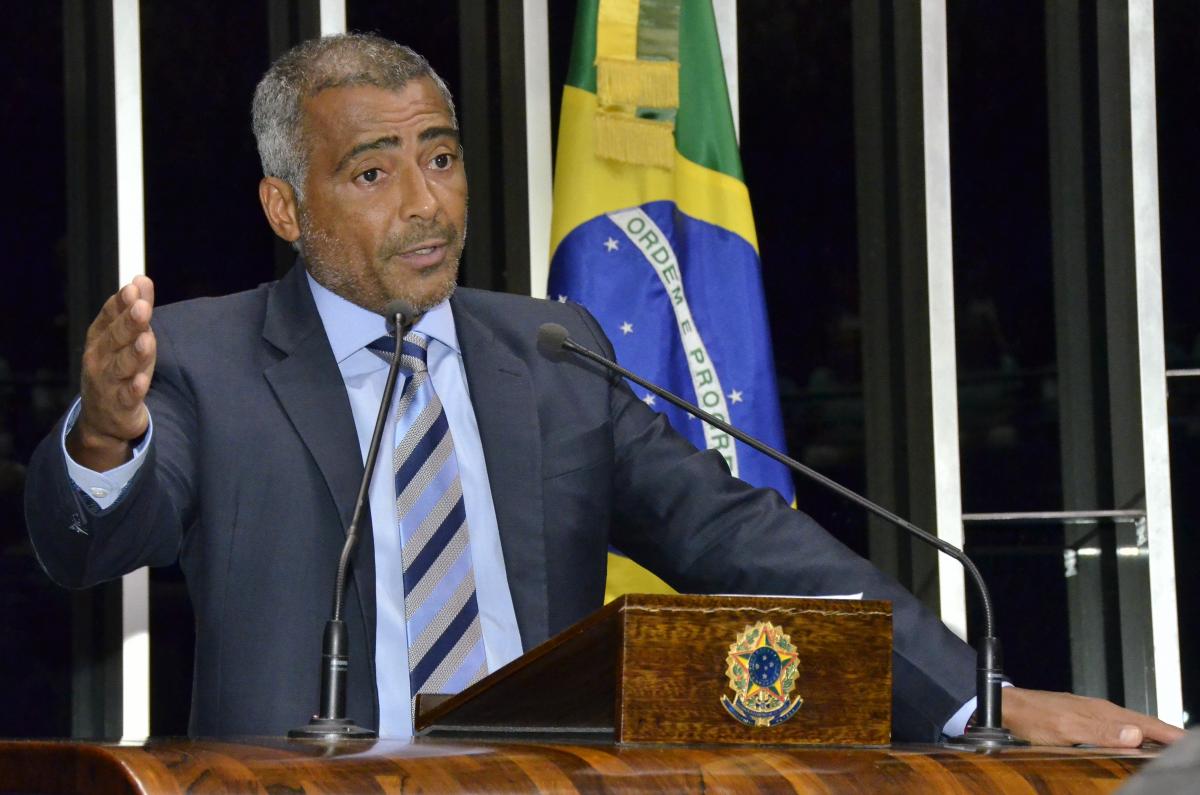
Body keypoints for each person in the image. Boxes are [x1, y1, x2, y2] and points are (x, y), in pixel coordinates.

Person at [25, 34, 1182, 746]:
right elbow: (86, 544)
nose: (427, 204)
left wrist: (979, 700)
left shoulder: (549, 352)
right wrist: (106, 435)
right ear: (288, 209)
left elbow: (741, 542)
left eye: (441, 155)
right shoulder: (204, 360)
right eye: (373, 172)